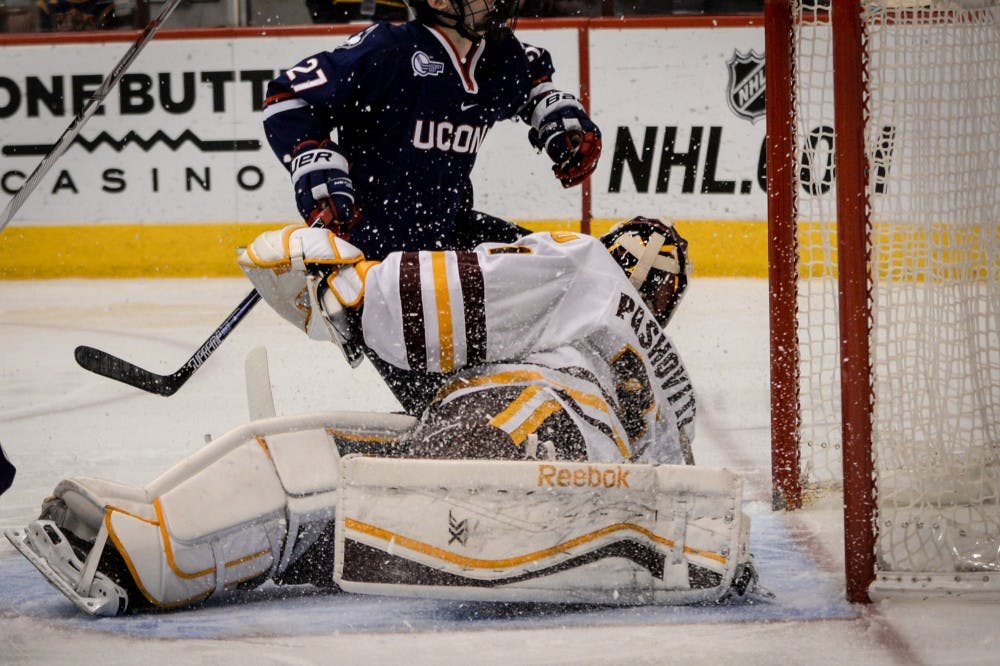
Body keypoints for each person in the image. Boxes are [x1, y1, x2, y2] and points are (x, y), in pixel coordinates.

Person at [4, 217, 757, 618]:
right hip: (570, 513)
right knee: (382, 499)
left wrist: (354, 286)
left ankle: (153, 553)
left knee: (316, 464)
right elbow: (687, 511)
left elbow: (474, 290)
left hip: (504, 429)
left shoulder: (587, 266)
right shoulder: (673, 393)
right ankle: (373, 537)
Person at [262, 0, 602, 415]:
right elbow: (286, 96)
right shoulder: (386, 51)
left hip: (451, 235)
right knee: (456, 409)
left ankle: (593, 392)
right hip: (381, 269)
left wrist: (553, 108)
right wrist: (314, 157)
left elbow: (529, 73)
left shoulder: (498, 53)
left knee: (571, 275)